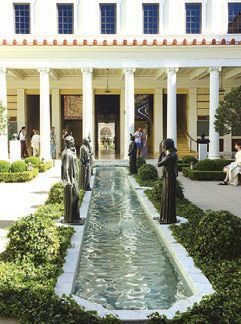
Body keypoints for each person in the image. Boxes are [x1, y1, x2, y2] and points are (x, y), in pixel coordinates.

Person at [61, 135, 82, 223]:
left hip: (73, 178)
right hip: (70, 180)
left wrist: (75, 152)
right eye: (73, 141)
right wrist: (68, 181)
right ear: (70, 143)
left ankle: (75, 217)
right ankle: (71, 218)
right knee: (75, 197)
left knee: (76, 198)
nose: (74, 142)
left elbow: (74, 160)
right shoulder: (67, 154)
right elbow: (65, 169)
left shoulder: (70, 152)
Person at [158, 138, 178, 224]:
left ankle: (168, 219)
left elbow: (159, 164)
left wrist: (161, 154)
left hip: (169, 179)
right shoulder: (172, 154)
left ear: (167, 145)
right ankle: (164, 217)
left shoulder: (170, 156)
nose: (163, 146)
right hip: (168, 178)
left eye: (164, 145)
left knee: (168, 198)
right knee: (166, 197)